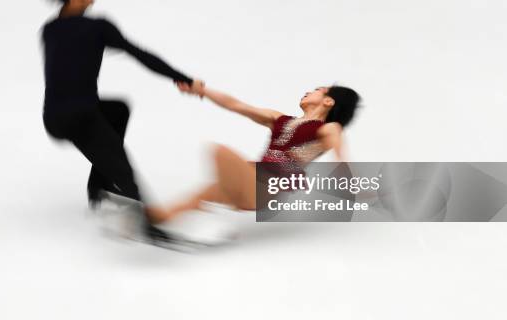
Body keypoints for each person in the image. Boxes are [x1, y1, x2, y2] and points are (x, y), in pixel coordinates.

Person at [36, 0, 205, 244]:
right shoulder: (98, 27)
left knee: (117, 110)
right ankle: (149, 226)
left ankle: (98, 190)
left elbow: (71, 55)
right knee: (120, 164)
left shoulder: (49, 30)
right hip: (81, 116)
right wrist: (182, 78)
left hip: (53, 118)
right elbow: (139, 54)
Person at [146, 84, 361, 223]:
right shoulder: (279, 119)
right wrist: (203, 90)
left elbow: (343, 160)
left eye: (317, 89)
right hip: (252, 180)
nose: (308, 90)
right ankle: (157, 219)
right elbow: (236, 105)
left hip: (265, 189)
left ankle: (211, 217)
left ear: (328, 101)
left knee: (220, 152)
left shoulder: (330, 129)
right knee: (192, 199)